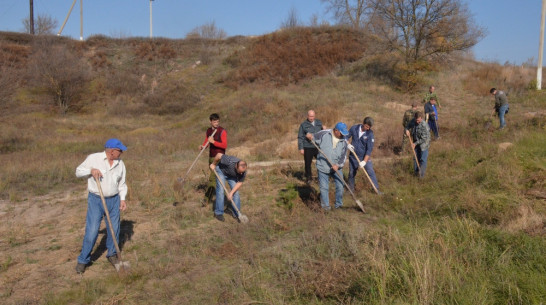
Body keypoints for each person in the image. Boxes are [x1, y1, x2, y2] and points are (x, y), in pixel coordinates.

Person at [75, 138, 128, 274]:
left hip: (114, 199)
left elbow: (122, 184)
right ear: (111, 151)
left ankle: (111, 254)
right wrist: (91, 170)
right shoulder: (94, 158)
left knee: (114, 229)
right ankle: (83, 260)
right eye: (119, 150)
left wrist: (122, 199)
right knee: (92, 231)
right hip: (96, 200)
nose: (121, 152)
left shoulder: (120, 164)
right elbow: (78, 171)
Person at [306, 122, 348, 211]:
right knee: (324, 188)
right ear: (336, 131)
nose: (342, 135)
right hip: (323, 166)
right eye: (341, 133)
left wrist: (338, 165)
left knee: (340, 185)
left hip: (336, 168)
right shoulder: (324, 133)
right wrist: (310, 136)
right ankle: (326, 208)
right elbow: (313, 137)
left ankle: (339, 205)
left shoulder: (344, 141)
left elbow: (343, 157)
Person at [210, 153, 247, 222]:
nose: (241, 174)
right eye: (240, 172)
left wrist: (231, 193)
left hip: (232, 176)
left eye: (242, 172)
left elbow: (239, 183)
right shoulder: (229, 161)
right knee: (220, 190)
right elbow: (218, 155)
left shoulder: (243, 171)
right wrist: (214, 164)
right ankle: (218, 213)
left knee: (235, 193)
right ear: (236, 166)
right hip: (221, 171)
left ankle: (237, 214)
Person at [199, 113, 227, 205]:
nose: (216, 123)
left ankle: (206, 199)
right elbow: (207, 142)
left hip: (219, 158)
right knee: (217, 179)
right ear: (210, 121)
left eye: (218, 121)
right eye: (214, 121)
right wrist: (203, 146)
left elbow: (224, 145)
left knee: (212, 179)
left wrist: (214, 142)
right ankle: (220, 195)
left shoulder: (222, 131)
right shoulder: (208, 131)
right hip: (211, 157)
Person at [347, 117, 380, 193]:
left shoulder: (370, 134)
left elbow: (369, 149)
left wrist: (364, 161)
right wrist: (348, 144)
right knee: (352, 173)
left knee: (370, 172)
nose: (368, 128)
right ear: (363, 123)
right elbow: (346, 137)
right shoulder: (354, 128)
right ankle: (351, 190)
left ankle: (376, 189)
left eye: (369, 127)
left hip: (364, 157)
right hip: (353, 156)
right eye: (366, 126)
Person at [297, 110, 324, 183]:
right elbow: (300, 137)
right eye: (310, 116)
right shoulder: (303, 125)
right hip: (308, 146)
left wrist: (324, 129)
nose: (311, 118)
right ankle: (309, 178)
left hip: (318, 146)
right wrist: (301, 148)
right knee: (308, 163)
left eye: (312, 116)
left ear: (314, 116)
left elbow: (323, 133)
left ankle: (321, 177)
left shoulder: (319, 123)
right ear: (307, 116)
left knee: (321, 162)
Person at [405, 112, 431, 178]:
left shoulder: (424, 125)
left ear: (421, 118)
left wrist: (415, 143)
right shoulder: (413, 121)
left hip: (424, 145)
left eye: (418, 120)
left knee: (422, 159)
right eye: (416, 120)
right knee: (415, 158)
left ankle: (421, 176)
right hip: (416, 143)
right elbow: (407, 126)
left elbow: (424, 138)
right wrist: (407, 130)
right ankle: (416, 173)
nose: (417, 122)